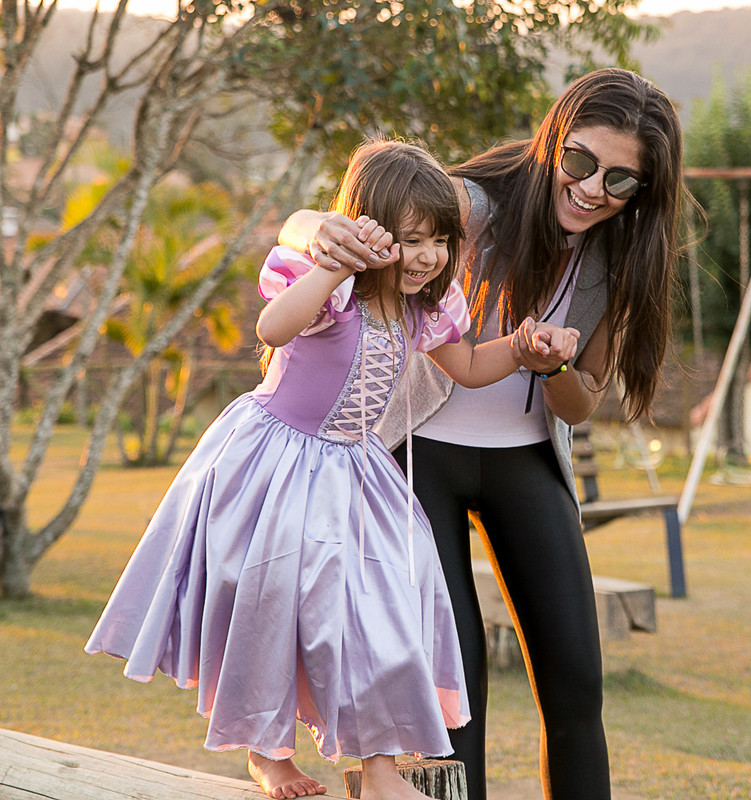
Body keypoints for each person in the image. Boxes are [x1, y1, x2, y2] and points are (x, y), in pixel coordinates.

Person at [85, 140, 578, 800]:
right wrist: (328, 266)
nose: (427, 255)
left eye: (439, 240)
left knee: (384, 609)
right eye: (409, 239)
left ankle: (379, 768)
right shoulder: (333, 295)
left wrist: (520, 350)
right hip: (275, 463)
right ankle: (268, 753)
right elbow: (272, 327)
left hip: (356, 474)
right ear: (367, 234)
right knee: (271, 607)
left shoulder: (422, 310)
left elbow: (467, 369)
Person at [279, 67, 689, 800]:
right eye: (581, 162)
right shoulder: (470, 205)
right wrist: (322, 230)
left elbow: (579, 404)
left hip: (526, 463)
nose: (595, 189)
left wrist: (552, 360)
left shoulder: (618, 259)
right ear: (552, 142)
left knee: (574, 685)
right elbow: (306, 223)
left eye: (622, 182)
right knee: (451, 683)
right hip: (418, 457)